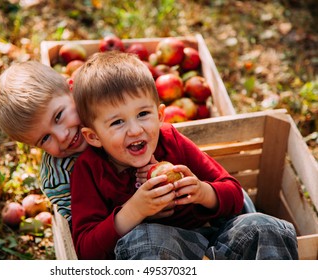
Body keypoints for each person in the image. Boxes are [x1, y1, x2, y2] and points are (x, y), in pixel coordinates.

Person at [70, 51, 299, 260]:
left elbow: (233, 194)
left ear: (160, 115)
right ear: (94, 137)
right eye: (117, 122)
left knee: (262, 226)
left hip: (213, 244)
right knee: (146, 239)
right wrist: (135, 210)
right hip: (162, 256)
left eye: (143, 114)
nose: (135, 130)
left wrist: (202, 192)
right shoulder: (89, 169)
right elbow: (85, 250)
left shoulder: (170, 140)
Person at [0, 60, 88, 225]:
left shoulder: (104, 107)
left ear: (71, 89)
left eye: (58, 116)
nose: (62, 136)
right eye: (45, 138)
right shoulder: (61, 180)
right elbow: (87, 223)